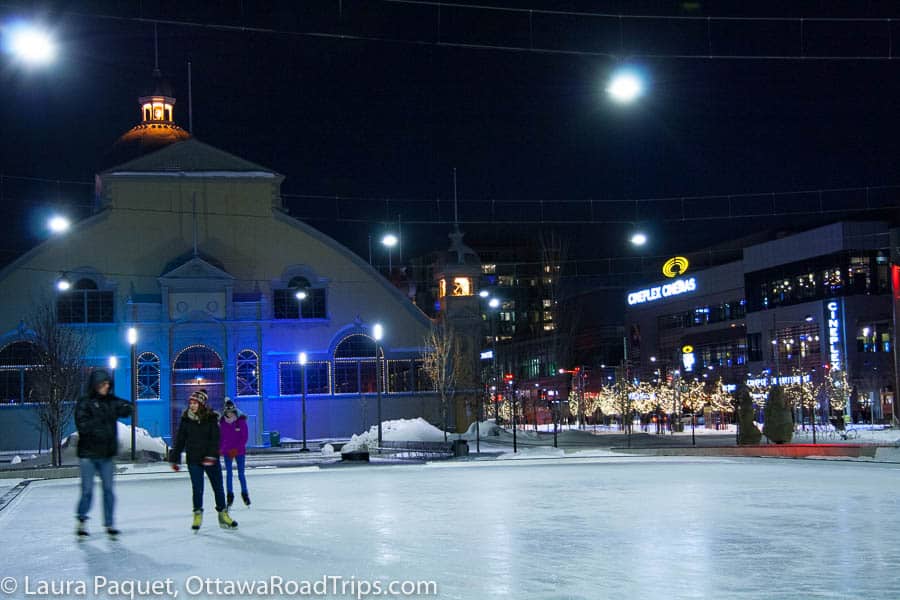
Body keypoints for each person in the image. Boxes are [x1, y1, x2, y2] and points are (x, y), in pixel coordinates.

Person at [74, 368, 133, 539]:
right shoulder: (85, 403)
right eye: (103, 384)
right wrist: (100, 418)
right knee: (87, 491)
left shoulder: (110, 401)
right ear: (95, 385)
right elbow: (83, 426)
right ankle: (82, 520)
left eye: (108, 384)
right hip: (88, 455)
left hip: (106, 455)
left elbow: (126, 408)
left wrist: (125, 408)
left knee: (108, 490)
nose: (106, 387)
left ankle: (109, 523)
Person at [169, 390, 238, 531]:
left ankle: (223, 514)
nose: (192, 405)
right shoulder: (185, 420)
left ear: (202, 404)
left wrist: (212, 456)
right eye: (191, 403)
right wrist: (175, 459)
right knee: (197, 488)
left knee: (218, 488)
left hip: (210, 460)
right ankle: (197, 514)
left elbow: (216, 439)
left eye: (195, 403)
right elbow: (180, 440)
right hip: (194, 459)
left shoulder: (211, 418)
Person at [219, 398, 251, 507]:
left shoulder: (240, 421)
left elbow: (244, 437)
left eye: (231, 411)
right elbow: (221, 438)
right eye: (228, 411)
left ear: (234, 410)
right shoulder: (222, 422)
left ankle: (245, 493)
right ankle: (230, 495)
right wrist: (221, 450)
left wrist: (236, 449)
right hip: (228, 452)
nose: (230, 413)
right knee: (229, 474)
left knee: (241, 473)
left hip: (239, 451)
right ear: (225, 411)